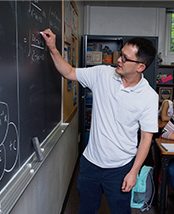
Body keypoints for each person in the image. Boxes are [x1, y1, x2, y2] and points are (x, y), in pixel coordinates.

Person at [41, 29, 158, 213]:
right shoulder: (103, 74)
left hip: (121, 168)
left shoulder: (149, 97)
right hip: (90, 164)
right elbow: (69, 72)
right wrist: (52, 48)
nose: (119, 60)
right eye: (121, 55)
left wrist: (133, 172)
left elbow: (146, 138)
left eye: (125, 58)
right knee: (86, 210)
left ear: (140, 67)